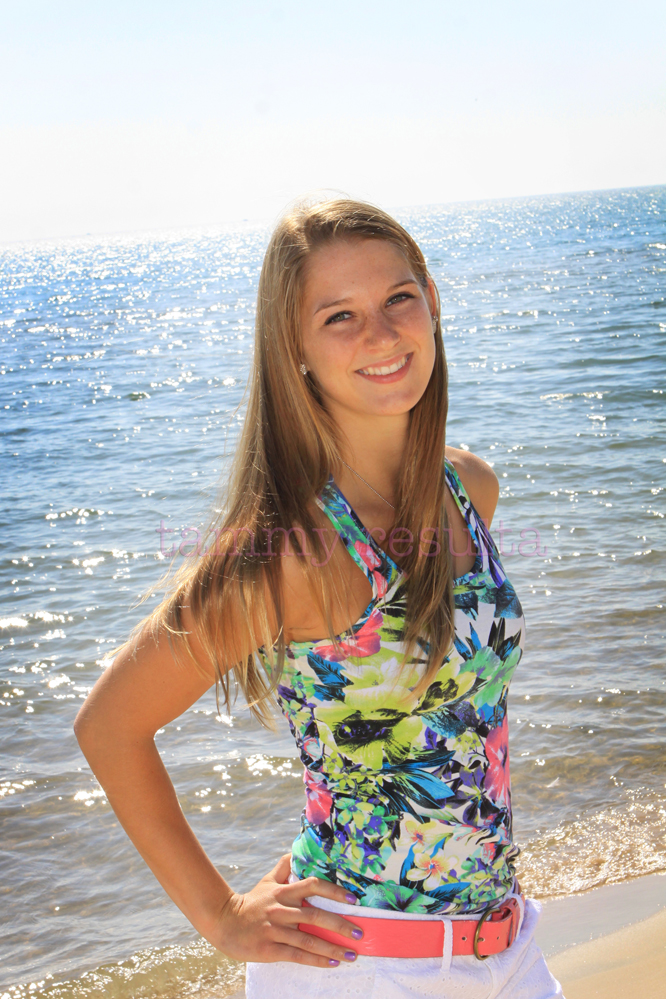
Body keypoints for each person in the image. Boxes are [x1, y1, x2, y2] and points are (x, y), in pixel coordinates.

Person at [74, 199, 563, 998]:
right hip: (361, 966)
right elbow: (109, 725)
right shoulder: (290, 550)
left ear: (432, 301)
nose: (381, 333)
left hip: (506, 947)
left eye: (398, 298)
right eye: (340, 316)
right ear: (292, 348)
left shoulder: (468, 487)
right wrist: (222, 915)